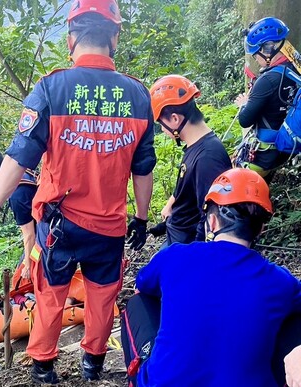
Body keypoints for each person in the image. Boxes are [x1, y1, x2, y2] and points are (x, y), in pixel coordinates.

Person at [0, 0, 156, 383]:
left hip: (60, 226)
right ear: (114, 36)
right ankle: (93, 364)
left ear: (70, 38)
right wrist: (142, 218)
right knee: (102, 297)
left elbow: (17, 159)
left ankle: (44, 367)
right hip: (110, 227)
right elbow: (144, 168)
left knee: (51, 295)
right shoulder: (137, 95)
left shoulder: (51, 88)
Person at [121, 168, 301, 386]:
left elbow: (143, 285)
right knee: (293, 318)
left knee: (138, 302)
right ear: (261, 229)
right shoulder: (281, 282)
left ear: (212, 222)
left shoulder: (174, 255)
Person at [147, 75, 231, 246]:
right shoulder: (195, 145)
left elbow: (210, 215)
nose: (162, 130)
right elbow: (189, 185)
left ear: (175, 119)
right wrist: (172, 205)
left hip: (187, 246)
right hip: (178, 235)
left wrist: (194, 256)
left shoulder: (208, 157)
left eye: (161, 124)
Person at [234, 17, 299, 179]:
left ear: (267, 48)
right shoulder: (296, 66)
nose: (256, 58)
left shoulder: (267, 80)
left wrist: (244, 104)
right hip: (287, 147)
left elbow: (245, 120)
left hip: (266, 154)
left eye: (256, 54)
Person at [0, 149, 38, 288]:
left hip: (43, 234)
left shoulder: (17, 194)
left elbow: (29, 235)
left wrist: (28, 266)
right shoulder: (24, 171)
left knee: (22, 278)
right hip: (53, 223)